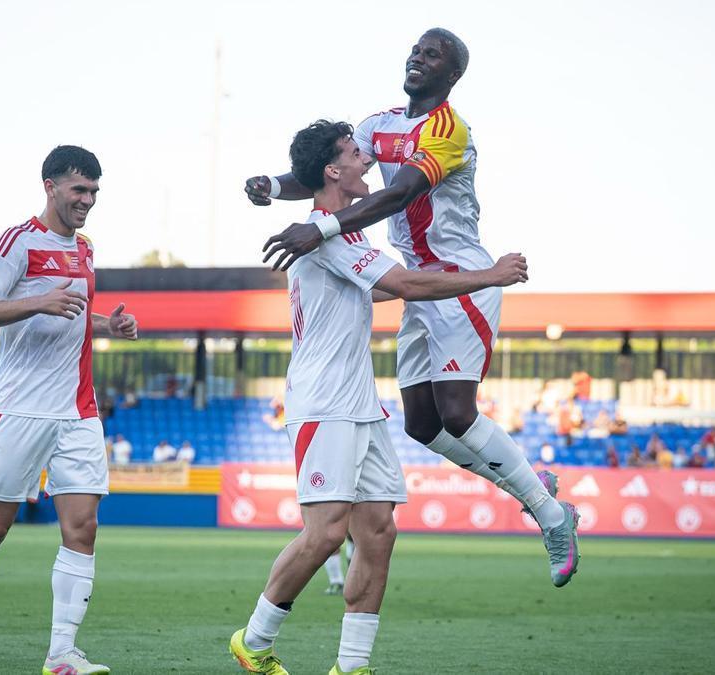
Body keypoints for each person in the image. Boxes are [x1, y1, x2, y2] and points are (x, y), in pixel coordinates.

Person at [247, 29, 578, 585]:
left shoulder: (450, 131)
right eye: (416, 50)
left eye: (433, 55)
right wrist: (273, 188)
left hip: (461, 280)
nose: (418, 58)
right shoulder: (378, 125)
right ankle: (533, 485)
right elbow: (326, 170)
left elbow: (398, 194)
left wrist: (320, 227)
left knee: (457, 410)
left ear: (452, 76)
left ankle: (550, 516)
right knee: (423, 425)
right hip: (414, 280)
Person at [229, 119, 538, 675]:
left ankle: (352, 666)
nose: (366, 160)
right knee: (325, 533)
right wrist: (489, 275)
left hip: (359, 404)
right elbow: (406, 285)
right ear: (332, 171)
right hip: (323, 403)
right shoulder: (330, 232)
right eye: (354, 153)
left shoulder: (342, 235)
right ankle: (253, 640)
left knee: (378, 530)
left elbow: (389, 286)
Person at [0, 145, 138, 675]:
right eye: (79, 189)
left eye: (94, 191)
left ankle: (61, 653)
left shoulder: (87, 249)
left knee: (83, 527)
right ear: (50, 186)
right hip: (20, 408)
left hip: (78, 409)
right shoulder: (17, 242)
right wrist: (39, 300)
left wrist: (106, 327)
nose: (88, 200)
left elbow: (71, 316)